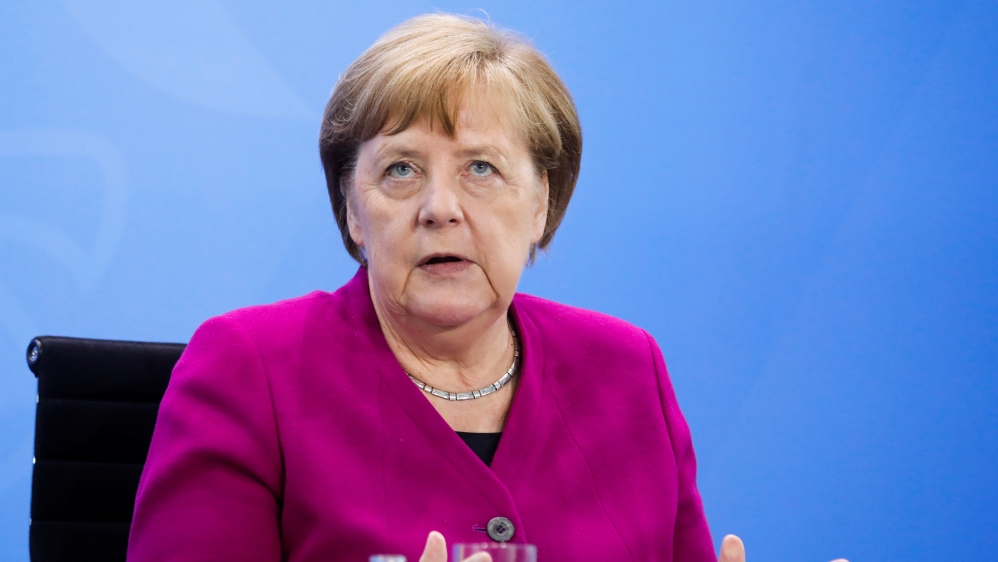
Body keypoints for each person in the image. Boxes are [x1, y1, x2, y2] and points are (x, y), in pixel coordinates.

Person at [127, 13, 825, 562]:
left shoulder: (626, 370)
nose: (440, 208)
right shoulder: (252, 369)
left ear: (542, 203)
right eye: (401, 169)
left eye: (481, 169)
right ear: (352, 210)